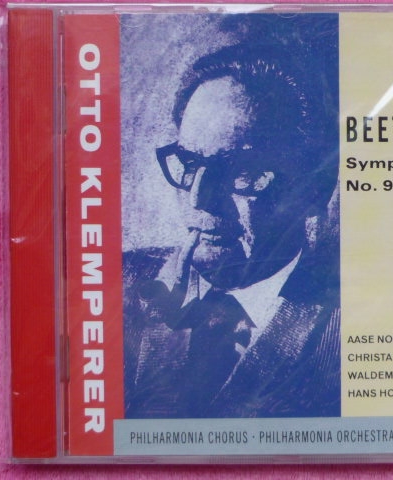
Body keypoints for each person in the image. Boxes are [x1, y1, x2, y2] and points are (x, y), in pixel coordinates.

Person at [123, 43, 340, 419]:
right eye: (189, 162)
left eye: (242, 169)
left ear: (315, 188)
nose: (199, 199)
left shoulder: (344, 332)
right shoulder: (114, 283)